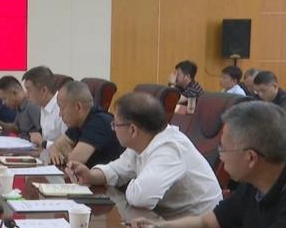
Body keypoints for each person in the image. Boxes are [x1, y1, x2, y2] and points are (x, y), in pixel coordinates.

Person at [126, 102, 286, 228]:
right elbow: (209, 223)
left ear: (251, 158)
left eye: (224, 149)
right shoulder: (253, 183)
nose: (221, 156)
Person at [66, 92, 222, 219]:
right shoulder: (142, 142)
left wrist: (129, 183)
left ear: (133, 130)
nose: (113, 129)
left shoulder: (169, 149)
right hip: (165, 220)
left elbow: (141, 198)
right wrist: (91, 175)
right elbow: (116, 169)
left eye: (115, 124)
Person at [48, 81, 124, 167]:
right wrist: (55, 151)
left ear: (78, 107)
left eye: (62, 108)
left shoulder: (99, 122)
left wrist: (64, 152)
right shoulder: (78, 121)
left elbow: (74, 161)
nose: (60, 114)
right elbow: (55, 146)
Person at [0, 75, 42, 144]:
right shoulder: (19, 106)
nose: (3, 103)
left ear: (14, 93)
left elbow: (44, 133)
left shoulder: (32, 106)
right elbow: (16, 128)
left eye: (5, 99)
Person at [22, 66, 67, 148]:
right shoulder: (43, 106)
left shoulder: (63, 109)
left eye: (29, 90)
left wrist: (43, 143)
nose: (26, 95)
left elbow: (68, 147)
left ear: (44, 90)